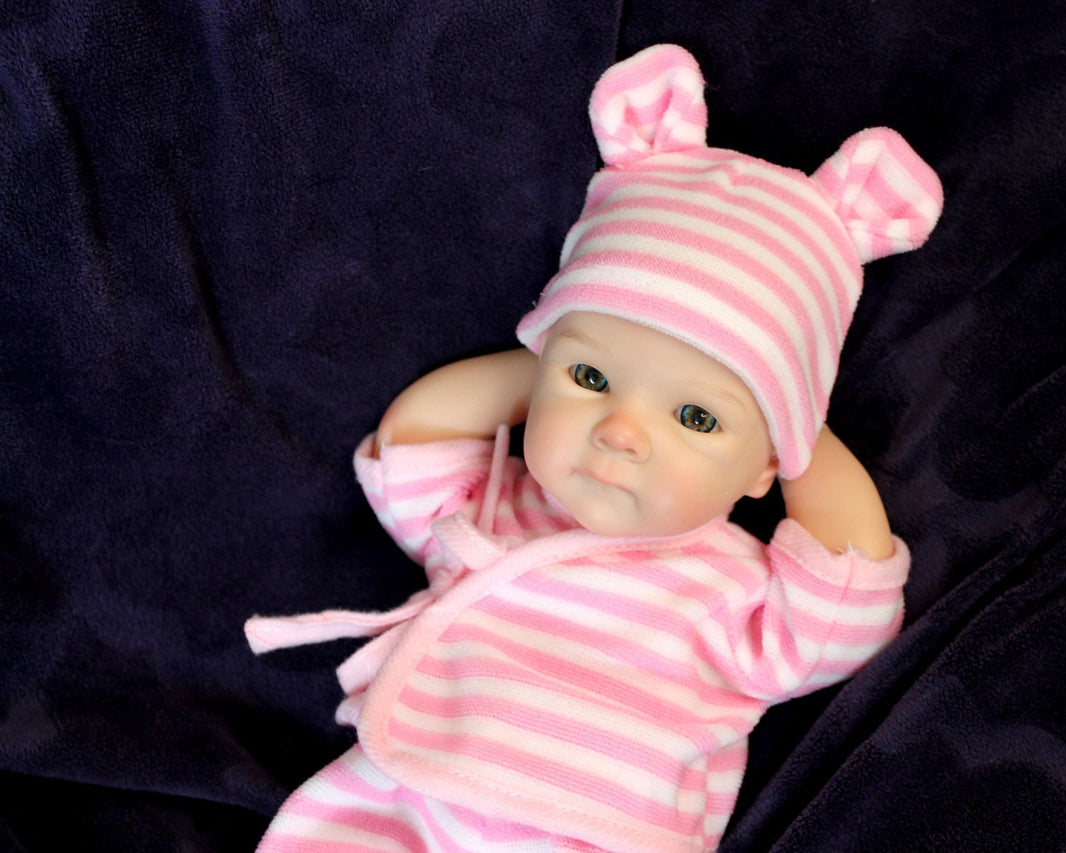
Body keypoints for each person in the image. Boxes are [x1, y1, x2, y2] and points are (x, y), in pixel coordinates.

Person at [245, 43, 942, 853]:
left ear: (767, 466)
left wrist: (797, 430)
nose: (621, 430)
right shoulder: (496, 506)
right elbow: (414, 440)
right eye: (590, 377)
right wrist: (549, 365)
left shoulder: (733, 595)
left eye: (697, 416)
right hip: (410, 806)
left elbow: (849, 598)